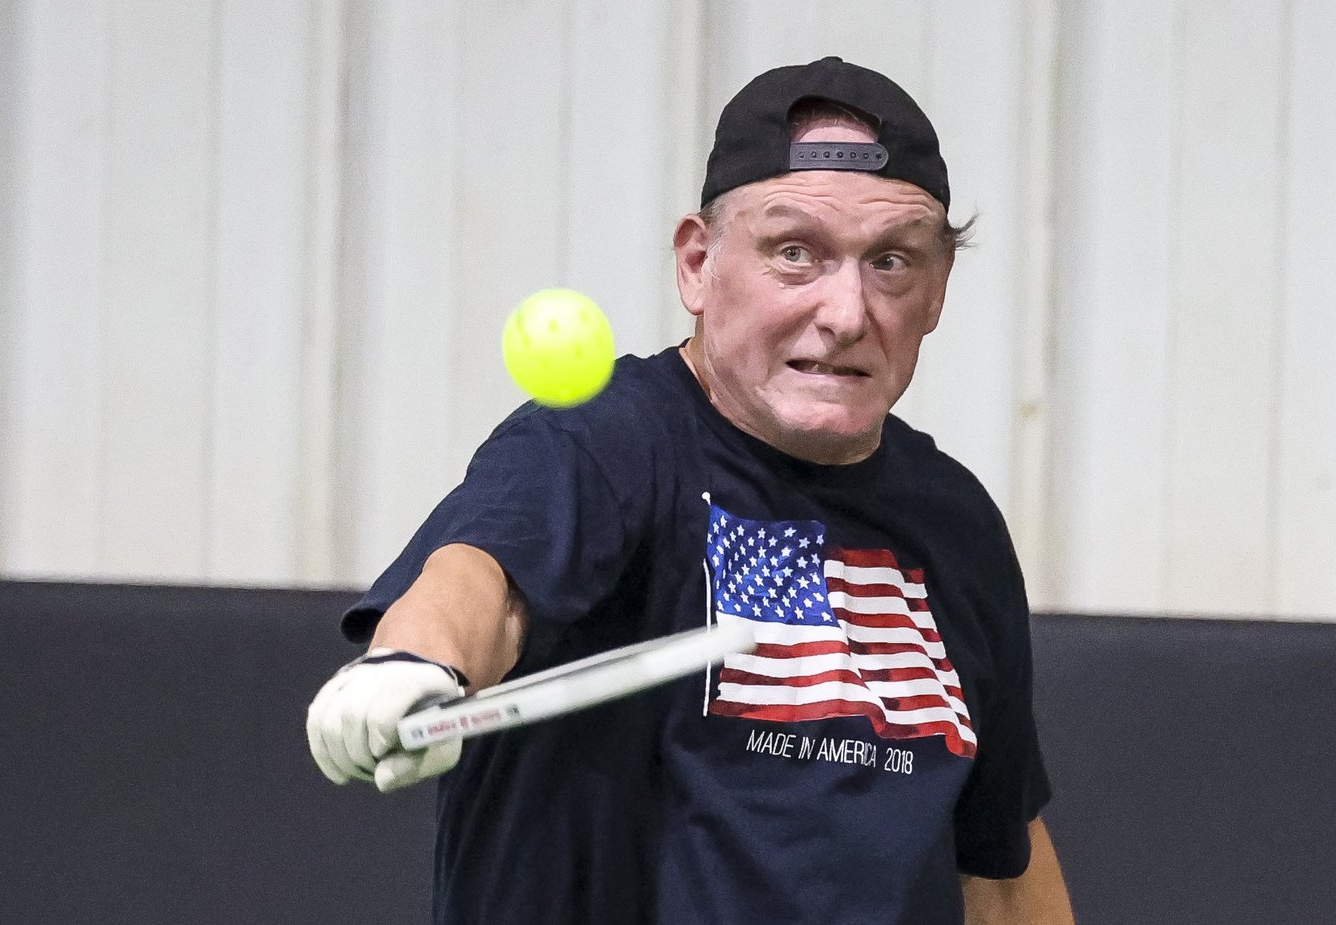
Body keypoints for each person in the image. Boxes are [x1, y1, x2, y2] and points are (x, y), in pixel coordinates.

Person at [307, 57, 1073, 924]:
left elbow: (998, 864)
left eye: (891, 261)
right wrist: (413, 662)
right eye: (796, 253)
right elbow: (483, 578)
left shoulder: (956, 521)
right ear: (698, 263)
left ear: (936, 292)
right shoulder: (605, 441)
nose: (847, 313)